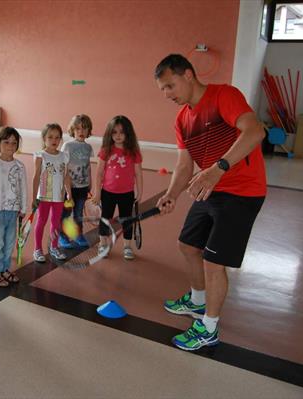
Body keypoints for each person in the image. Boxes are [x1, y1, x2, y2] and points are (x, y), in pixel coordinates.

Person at [154, 54, 266, 350]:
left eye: (169, 86)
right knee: (188, 245)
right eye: (163, 89)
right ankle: (198, 301)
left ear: (188, 74)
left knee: (214, 263)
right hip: (210, 189)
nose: (167, 95)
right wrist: (171, 195)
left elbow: (255, 131)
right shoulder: (182, 119)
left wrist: (218, 169)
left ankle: (209, 328)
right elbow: (183, 166)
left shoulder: (223, 96)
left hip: (242, 191)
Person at [91, 115, 143, 260]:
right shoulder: (106, 150)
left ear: (128, 133)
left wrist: (139, 191)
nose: (118, 136)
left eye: (121, 132)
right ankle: (103, 244)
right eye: (114, 132)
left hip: (127, 193)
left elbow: (138, 173)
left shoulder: (133, 152)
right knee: (105, 219)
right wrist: (97, 193)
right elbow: (99, 173)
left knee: (127, 221)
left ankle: (127, 246)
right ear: (110, 134)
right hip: (108, 192)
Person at [0, 126, 28, 286]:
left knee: (9, 243)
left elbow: (23, 188)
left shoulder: (20, 166)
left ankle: (5, 269)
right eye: (6, 142)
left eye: (14, 143)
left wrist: (23, 208)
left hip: (13, 211)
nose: (10, 146)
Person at [32, 123, 71, 263]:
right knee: (41, 221)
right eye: (50, 137)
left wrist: (69, 192)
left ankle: (54, 247)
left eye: (57, 137)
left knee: (55, 223)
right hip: (43, 196)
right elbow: (36, 177)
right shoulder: (40, 156)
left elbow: (66, 176)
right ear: (44, 138)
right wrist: (33, 198)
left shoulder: (64, 156)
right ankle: (37, 249)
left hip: (59, 197)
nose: (54, 140)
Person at [58, 114, 94, 249]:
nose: (81, 132)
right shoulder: (68, 146)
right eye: (78, 129)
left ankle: (79, 234)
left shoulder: (88, 148)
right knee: (66, 213)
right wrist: (66, 189)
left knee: (78, 213)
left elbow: (88, 165)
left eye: (84, 129)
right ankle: (63, 235)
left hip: (83, 187)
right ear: (73, 130)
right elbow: (64, 168)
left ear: (88, 131)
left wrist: (89, 182)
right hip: (69, 188)